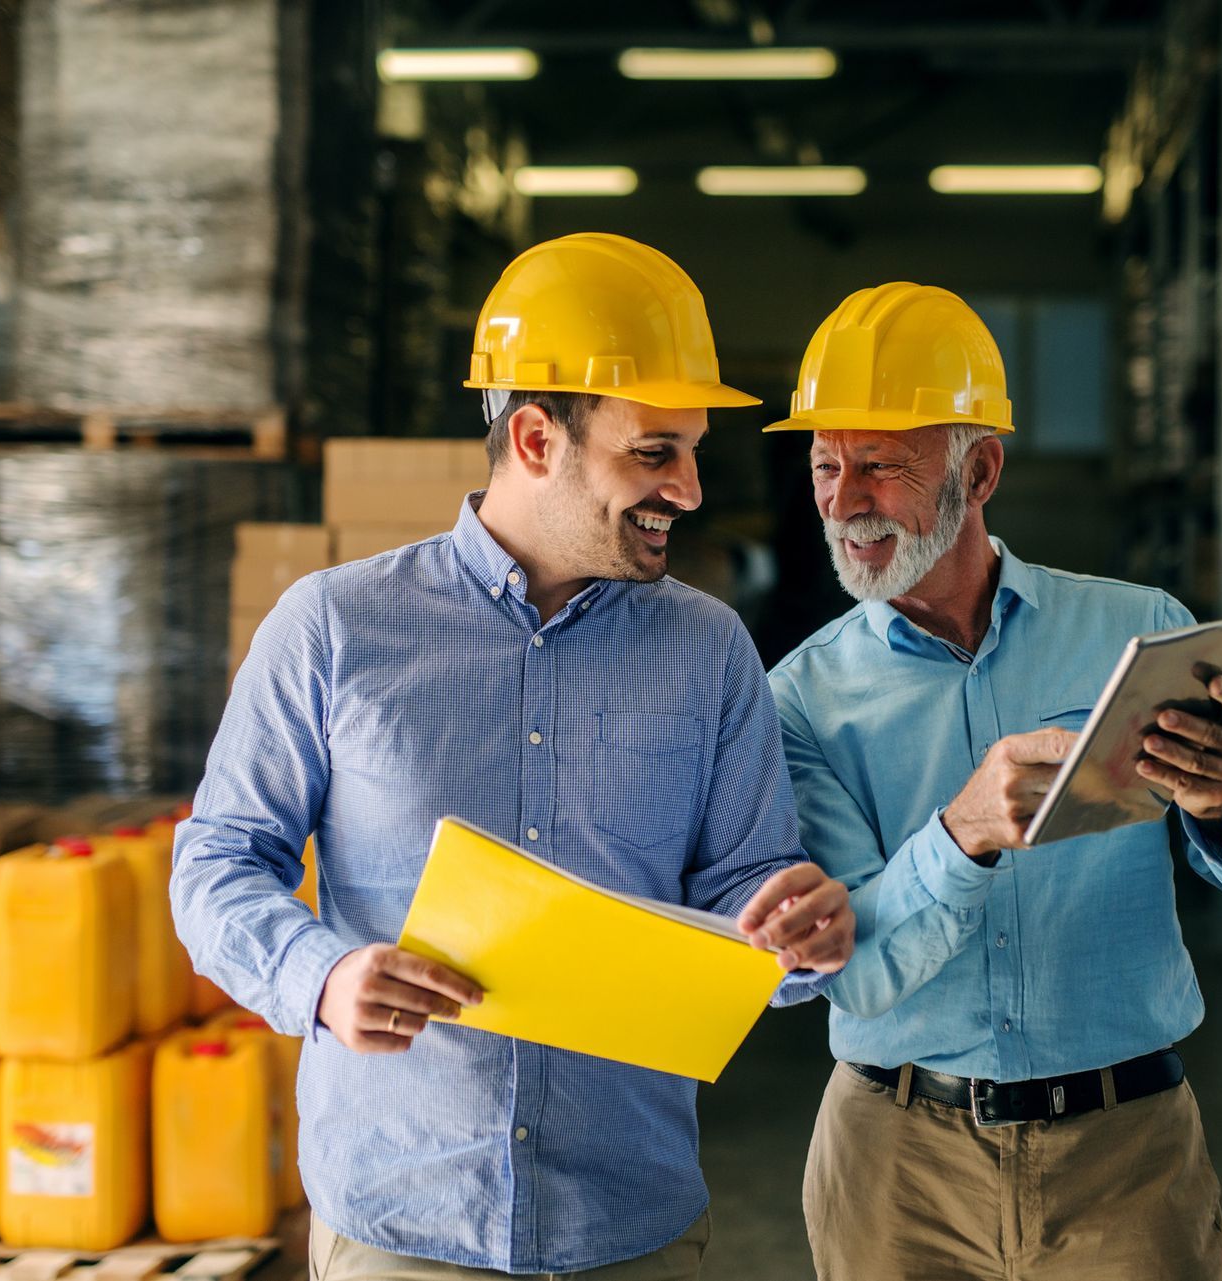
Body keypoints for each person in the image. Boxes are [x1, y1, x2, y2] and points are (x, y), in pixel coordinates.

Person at [172, 233, 855, 1281]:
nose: (691, 490)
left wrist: (790, 924)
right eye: (654, 452)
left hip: (632, 1225)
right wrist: (321, 976)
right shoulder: (334, 629)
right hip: (402, 1222)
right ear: (536, 438)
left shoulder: (709, 649)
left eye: (694, 450)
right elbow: (217, 861)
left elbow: (740, 885)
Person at [765, 282, 1222, 1281]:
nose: (846, 501)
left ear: (979, 470)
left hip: (1127, 1156)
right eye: (826, 465)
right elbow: (849, 968)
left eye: (881, 468)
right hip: (897, 1167)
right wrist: (963, 834)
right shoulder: (800, 700)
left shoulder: (1136, 629)